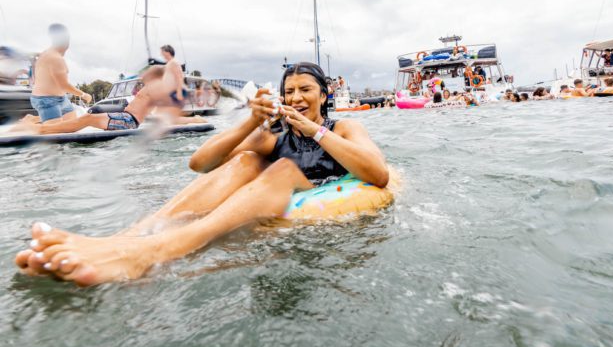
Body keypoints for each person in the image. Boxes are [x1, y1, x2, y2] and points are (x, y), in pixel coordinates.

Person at [15, 62, 389, 286]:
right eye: (288, 92)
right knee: (244, 161)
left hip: (317, 193)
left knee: (283, 169)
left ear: (324, 94)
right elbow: (201, 163)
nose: (295, 99)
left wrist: (314, 132)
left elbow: (379, 174)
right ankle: (127, 239)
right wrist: (251, 122)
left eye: (305, 90)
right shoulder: (274, 135)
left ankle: (155, 252)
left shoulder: (343, 130)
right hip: (271, 193)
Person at [16, 66, 176, 135]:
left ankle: (42, 130)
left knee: (88, 118)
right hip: (124, 117)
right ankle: (40, 124)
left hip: (129, 121)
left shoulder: (158, 87)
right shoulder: (150, 86)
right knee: (87, 116)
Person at [29, 24, 92, 123]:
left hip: (62, 99)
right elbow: (64, 86)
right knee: (56, 131)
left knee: (71, 125)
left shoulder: (47, 54)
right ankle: (30, 122)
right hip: (46, 100)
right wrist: (84, 95)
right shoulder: (55, 58)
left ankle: (35, 119)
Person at [161, 45, 187, 109]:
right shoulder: (170, 63)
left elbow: (179, 77)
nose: (161, 54)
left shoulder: (174, 62)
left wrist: (179, 92)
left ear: (167, 52)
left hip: (175, 92)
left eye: (162, 52)